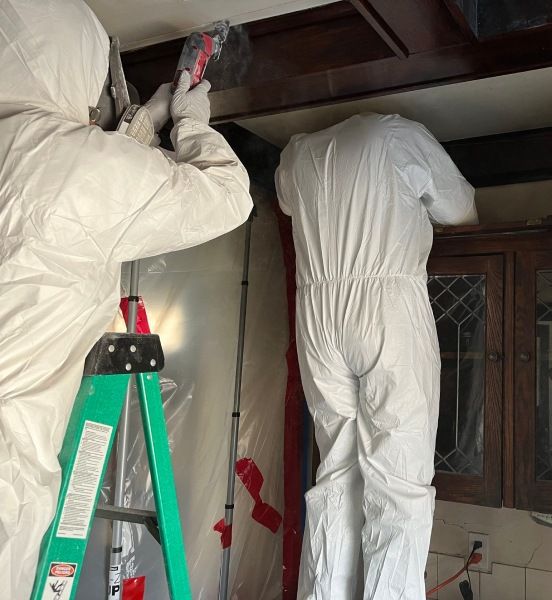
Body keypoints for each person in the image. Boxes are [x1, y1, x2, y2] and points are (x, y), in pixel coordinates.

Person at [0, 1, 253, 597]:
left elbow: (84, 185)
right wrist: (189, 122)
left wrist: (141, 124)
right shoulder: (67, 163)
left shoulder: (41, 153)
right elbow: (226, 195)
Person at [276, 113, 477, 600]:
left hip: (318, 317)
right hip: (385, 309)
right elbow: (462, 207)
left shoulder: (295, 152)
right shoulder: (395, 133)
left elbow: (286, 201)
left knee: (337, 475)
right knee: (398, 486)